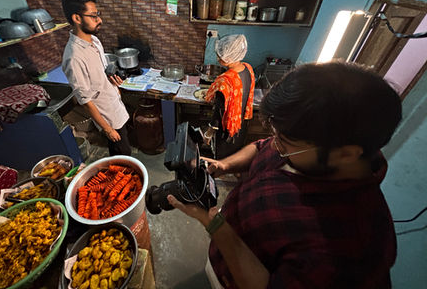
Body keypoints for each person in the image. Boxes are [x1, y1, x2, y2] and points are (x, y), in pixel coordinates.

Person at [168, 61, 402, 289]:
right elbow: (262, 146)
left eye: (285, 143)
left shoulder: (350, 252)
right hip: (226, 257)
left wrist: (216, 224)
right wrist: (224, 165)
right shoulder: (308, 142)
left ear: (347, 154)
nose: (276, 146)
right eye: (277, 137)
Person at [61, 0, 131, 156]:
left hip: (116, 107)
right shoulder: (74, 57)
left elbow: (103, 73)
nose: (99, 20)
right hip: (108, 119)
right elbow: (85, 100)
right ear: (77, 18)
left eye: (98, 14)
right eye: (93, 16)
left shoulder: (95, 41)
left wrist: (114, 84)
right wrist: (107, 129)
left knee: (125, 156)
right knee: (123, 160)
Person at [203, 34, 255, 159]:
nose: (217, 57)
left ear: (228, 57)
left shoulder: (225, 81)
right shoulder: (248, 68)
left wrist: (208, 133)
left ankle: (218, 172)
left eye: (219, 55)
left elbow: (218, 112)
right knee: (234, 153)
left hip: (226, 129)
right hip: (240, 125)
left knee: (222, 158)